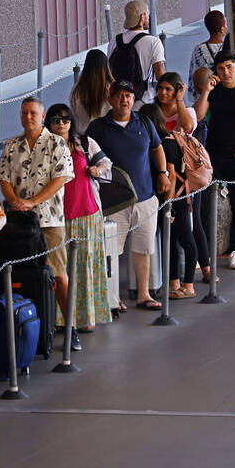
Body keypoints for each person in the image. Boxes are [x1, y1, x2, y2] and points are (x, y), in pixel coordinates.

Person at [86, 81, 171, 309]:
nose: (125, 99)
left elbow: (157, 148)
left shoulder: (143, 122)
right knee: (110, 252)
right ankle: (112, 297)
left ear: (134, 100)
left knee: (143, 249)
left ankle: (144, 294)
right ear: (110, 99)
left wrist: (163, 173)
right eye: (120, 95)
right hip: (113, 202)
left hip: (145, 198)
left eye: (129, 95)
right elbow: (89, 156)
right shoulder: (98, 128)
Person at [0, 97, 75, 323]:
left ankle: (70, 329)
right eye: (23, 113)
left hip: (50, 221)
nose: (27, 117)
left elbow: (61, 178)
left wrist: (32, 202)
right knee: (21, 274)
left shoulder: (57, 143)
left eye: (32, 113)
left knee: (58, 274)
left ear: (42, 117)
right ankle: (28, 325)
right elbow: (3, 177)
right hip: (18, 223)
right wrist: (14, 202)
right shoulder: (12, 145)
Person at [45, 103, 111, 340]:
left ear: (71, 122)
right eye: (55, 120)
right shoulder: (43, 147)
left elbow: (106, 163)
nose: (61, 124)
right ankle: (62, 319)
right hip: (56, 216)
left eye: (65, 119)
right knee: (59, 269)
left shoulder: (85, 143)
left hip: (86, 212)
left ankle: (85, 317)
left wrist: (98, 170)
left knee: (85, 264)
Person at [194, 53, 235, 270]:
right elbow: (198, 115)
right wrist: (207, 90)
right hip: (214, 155)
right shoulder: (215, 92)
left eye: (229, 67)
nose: (225, 72)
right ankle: (205, 253)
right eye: (221, 68)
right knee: (205, 204)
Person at [137, 103, 199, 301]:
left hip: (176, 199)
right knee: (170, 241)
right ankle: (174, 282)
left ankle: (188, 284)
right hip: (169, 199)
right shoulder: (159, 142)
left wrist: (169, 206)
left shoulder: (166, 143)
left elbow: (171, 176)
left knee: (185, 239)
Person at [110, 0, 165, 108]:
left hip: (118, 103)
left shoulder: (114, 41)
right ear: (142, 17)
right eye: (147, 14)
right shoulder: (153, 42)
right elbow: (160, 75)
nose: (149, 18)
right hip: (143, 102)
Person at [69, 48, 114, 133]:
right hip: (106, 136)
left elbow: (73, 113)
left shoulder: (77, 89)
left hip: (83, 136)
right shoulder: (112, 88)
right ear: (106, 66)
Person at [187, 10, 227, 103]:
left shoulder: (199, 49)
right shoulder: (228, 48)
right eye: (225, 25)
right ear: (222, 29)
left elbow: (193, 77)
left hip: (206, 98)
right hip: (225, 95)